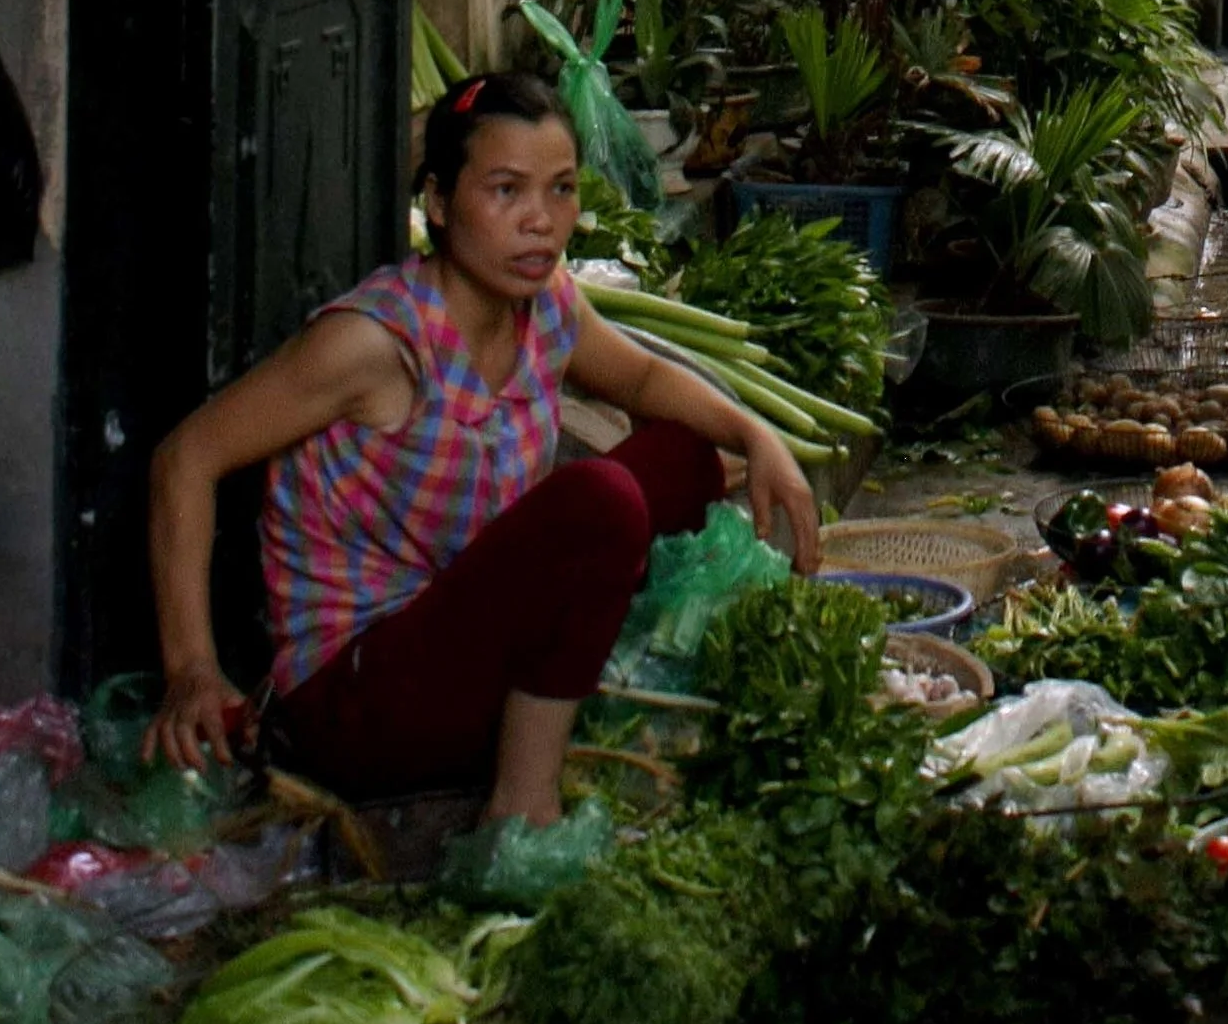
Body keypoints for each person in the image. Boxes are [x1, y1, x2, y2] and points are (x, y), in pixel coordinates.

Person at [144, 71, 821, 819]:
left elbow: (645, 377)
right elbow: (186, 457)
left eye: (560, 189)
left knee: (684, 457)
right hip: (359, 699)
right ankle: (523, 805)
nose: (541, 221)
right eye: (506, 191)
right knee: (600, 503)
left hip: (463, 632)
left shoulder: (546, 304)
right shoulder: (374, 345)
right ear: (437, 201)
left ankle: (558, 689)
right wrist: (191, 670)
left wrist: (758, 437)